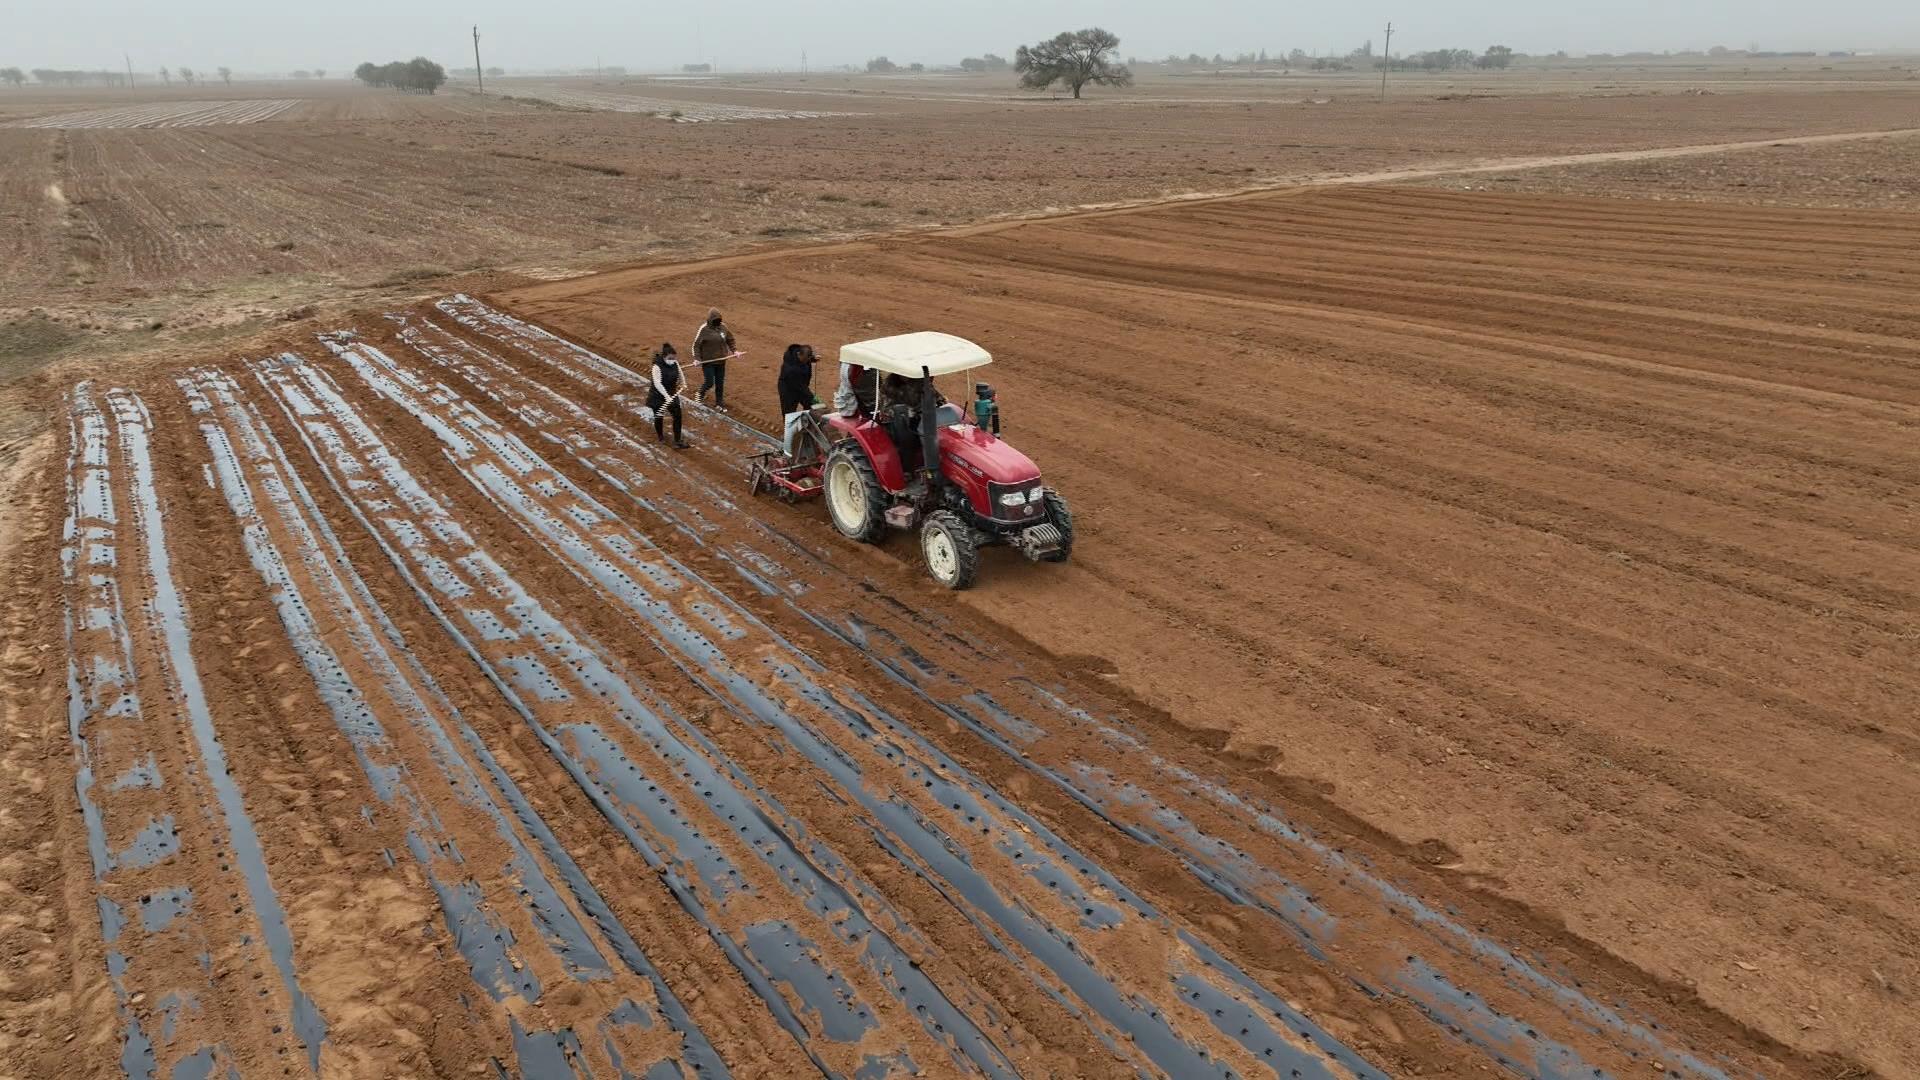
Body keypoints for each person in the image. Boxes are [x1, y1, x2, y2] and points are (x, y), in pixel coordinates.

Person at [777, 344, 821, 456]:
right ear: (798, 355)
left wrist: (812, 360)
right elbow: (801, 388)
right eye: (805, 359)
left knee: (810, 405)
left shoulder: (803, 357)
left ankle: (808, 428)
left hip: (801, 386)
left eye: (808, 359)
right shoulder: (790, 369)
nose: (806, 361)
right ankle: (789, 437)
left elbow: (803, 388)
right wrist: (813, 398)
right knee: (789, 413)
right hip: (788, 390)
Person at [692, 308, 736, 410]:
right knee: (709, 382)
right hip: (708, 362)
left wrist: (734, 350)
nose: (718, 322)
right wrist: (697, 358)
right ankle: (699, 395)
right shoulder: (704, 329)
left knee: (720, 383)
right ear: (710, 320)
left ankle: (719, 403)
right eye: (715, 321)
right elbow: (696, 345)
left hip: (721, 361)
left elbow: (730, 339)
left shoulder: (723, 327)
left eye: (719, 320)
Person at [647, 343, 689, 449]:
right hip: (658, 395)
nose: (673, 360)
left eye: (674, 358)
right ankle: (661, 436)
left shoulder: (675, 363)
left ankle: (678, 440)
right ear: (664, 357)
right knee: (659, 415)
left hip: (671, 393)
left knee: (677, 415)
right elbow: (657, 383)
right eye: (670, 358)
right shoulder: (656, 366)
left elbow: (680, 373)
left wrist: (683, 383)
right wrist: (666, 396)